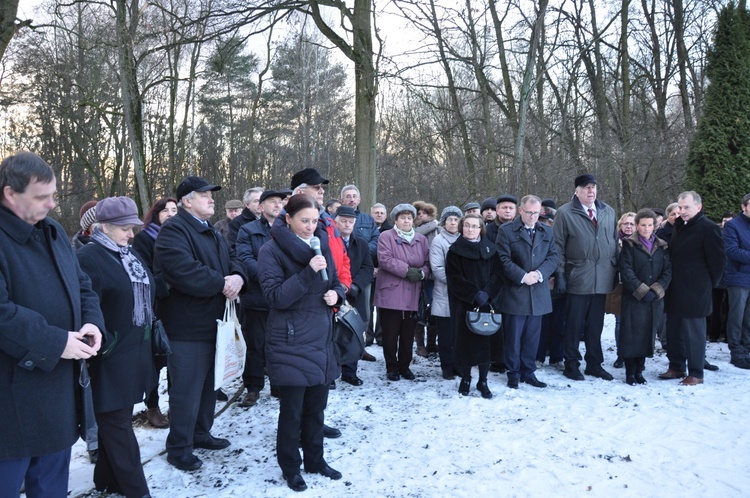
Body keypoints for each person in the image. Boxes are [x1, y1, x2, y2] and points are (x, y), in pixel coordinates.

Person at [0, 151, 104, 498]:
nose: (52, 204)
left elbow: (83, 285)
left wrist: (92, 322)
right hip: (10, 400)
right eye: (42, 197)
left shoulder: (54, 231)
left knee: (52, 485)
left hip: (58, 393)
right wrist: (55, 341)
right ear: (9, 193)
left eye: (54, 195)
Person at [154, 176, 246, 472]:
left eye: (211, 195)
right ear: (186, 201)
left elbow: (234, 259)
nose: (211, 199)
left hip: (215, 324)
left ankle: (201, 433)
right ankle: (179, 448)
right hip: (187, 328)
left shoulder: (212, 232)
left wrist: (238, 277)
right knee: (186, 391)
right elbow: (183, 272)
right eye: (205, 195)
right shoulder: (173, 231)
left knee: (209, 386)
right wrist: (222, 283)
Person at [258, 194, 346, 492]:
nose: (310, 227)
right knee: (292, 411)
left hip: (321, 338)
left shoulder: (320, 244)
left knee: (316, 409)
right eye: (304, 221)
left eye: (314, 221)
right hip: (290, 339)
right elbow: (275, 297)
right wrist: (309, 271)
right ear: (288, 219)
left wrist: (337, 295)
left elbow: (334, 281)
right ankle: (291, 467)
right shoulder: (271, 250)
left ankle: (315, 460)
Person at [77, 196, 157, 497]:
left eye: (133, 227)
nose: (131, 234)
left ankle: (106, 478)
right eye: (124, 228)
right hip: (108, 361)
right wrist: (106, 344)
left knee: (117, 422)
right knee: (118, 427)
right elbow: (86, 308)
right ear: (103, 227)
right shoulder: (90, 258)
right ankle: (138, 491)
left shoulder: (128, 255)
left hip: (134, 355)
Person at [553, 174, 618, 381]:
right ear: (577, 191)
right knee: (573, 324)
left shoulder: (608, 212)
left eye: (593, 187)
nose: (591, 191)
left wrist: (615, 270)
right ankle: (571, 363)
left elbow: (614, 242)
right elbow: (558, 247)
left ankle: (594, 363)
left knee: (595, 325)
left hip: (602, 278)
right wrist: (560, 274)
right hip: (578, 277)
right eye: (586, 187)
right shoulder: (565, 213)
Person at [661, 191, 725, 385]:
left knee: (693, 333)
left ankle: (696, 372)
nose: (682, 211)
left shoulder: (709, 228)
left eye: (686, 207)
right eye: (680, 207)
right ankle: (676, 367)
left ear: (698, 207)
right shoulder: (679, 226)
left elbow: (719, 262)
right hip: (675, 288)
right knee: (674, 330)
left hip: (696, 290)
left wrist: (707, 285)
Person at [496, 195, 558, 389]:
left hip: (538, 292)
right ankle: (513, 372)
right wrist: (523, 276)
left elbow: (554, 256)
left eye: (537, 213)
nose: (533, 216)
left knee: (532, 337)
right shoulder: (506, 231)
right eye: (529, 212)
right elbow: (503, 260)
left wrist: (540, 274)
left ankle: (528, 372)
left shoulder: (546, 230)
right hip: (516, 291)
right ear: (521, 210)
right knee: (513, 337)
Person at [235, 189, 288, 407]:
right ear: (260, 207)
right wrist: (270, 278)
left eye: (280, 202)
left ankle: (279, 385)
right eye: (271, 202)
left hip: (284, 299)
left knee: (280, 346)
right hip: (256, 298)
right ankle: (253, 387)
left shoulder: (290, 230)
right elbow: (244, 258)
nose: (277, 205)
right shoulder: (247, 230)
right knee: (255, 345)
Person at [132, 197, 178, 428]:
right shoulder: (143, 239)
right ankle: (152, 407)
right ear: (156, 214)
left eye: (174, 210)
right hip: (153, 309)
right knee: (154, 360)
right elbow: (144, 274)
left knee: (174, 360)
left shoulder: (182, 238)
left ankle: (176, 404)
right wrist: (173, 281)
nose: (170, 213)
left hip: (177, 309)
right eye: (165, 210)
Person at [446, 213, 503, 398]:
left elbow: (498, 274)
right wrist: (474, 294)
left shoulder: (490, 249)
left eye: (475, 226)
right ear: (462, 228)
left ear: (481, 228)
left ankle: (483, 380)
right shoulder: (455, 250)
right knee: (465, 343)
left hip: (488, 303)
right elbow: (454, 278)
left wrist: (487, 293)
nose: (471, 229)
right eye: (467, 225)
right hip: (465, 304)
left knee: (486, 343)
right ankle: (466, 378)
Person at [374, 203, 430, 381]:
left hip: (413, 293)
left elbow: (428, 262)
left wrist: (422, 273)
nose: (406, 220)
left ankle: (405, 366)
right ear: (396, 220)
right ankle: (392, 366)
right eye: (402, 217)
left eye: (409, 217)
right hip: (391, 292)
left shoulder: (421, 239)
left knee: (407, 334)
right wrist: (407, 271)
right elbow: (385, 259)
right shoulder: (386, 236)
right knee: (390, 334)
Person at [619, 209, 672, 385]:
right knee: (631, 334)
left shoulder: (662, 245)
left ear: (655, 226)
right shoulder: (629, 245)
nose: (646, 229)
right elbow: (626, 271)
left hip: (654, 300)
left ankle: (640, 370)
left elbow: (667, 271)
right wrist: (642, 290)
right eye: (643, 225)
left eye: (650, 225)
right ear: (637, 226)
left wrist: (656, 290)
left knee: (647, 335)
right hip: (634, 298)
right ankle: (630, 371)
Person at [335, 206, 375, 385]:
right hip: (333, 294)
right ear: (335, 222)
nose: (347, 225)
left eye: (351, 222)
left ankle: (350, 372)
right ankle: (331, 374)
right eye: (343, 221)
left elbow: (368, 268)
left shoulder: (361, 243)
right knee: (331, 335)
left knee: (353, 333)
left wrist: (354, 286)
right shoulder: (327, 242)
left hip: (354, 295)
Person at [429, 205, 463, 379]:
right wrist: (457, 283)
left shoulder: (464, 239)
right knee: (446, 335)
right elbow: (437, 267)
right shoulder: (438, 241)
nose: (453, 222)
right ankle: (447, 366)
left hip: (462, 296)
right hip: (445, 293)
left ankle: (458, 364)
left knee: (459, 335)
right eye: (449, 219)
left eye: (456, 219)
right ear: (444, 222)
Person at [722, 193, 750, 369]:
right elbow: (732, 251)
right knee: (736, 315)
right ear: (744, 206)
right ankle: (736, 350)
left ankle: (747, 347)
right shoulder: (732, 226)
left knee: (749, 317)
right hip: (738, 277)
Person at [536, 205, 566, 370]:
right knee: (541, 326)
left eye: (547, 221)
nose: (544, 224)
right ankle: (538, 356)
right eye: (541, 220)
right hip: (540, 287)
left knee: (559, 325)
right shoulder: (534, 237)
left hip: (559, 288)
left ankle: (557, 357)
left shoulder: (560, 238)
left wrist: (561, 277)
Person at [413, 200, 439, 357]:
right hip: (418, 273)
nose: (421, 216)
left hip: (434, 275)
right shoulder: (414, 230)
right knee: (419, 309)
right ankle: (420, 344)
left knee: (433, 308)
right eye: (419, 213)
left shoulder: (438, 229)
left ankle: (431, 343)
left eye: (424, 213)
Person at [612, 212, 636, 369]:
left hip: (636, 287)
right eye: (625, 223)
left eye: (632, 224)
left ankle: (635, 355)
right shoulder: (615, 242)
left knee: (636, 322)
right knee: (620, 322)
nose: (628, 226)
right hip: (619, 286)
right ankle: (621, 355)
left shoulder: (642, 242)